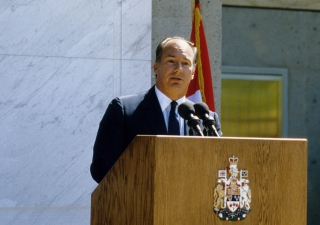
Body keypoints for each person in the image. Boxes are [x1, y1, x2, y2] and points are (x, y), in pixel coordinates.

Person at [90, 36, 222, 183]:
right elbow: (101, 167)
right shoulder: (124, 110)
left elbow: (219, 168)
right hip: (140, 202)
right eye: (171, 61)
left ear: (192, 72)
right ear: (156, 67)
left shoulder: (206, 120)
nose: (178, 69)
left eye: (185, 63)